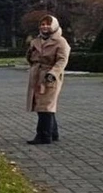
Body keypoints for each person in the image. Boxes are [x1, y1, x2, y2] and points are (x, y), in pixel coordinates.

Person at [26, 15, 70, 145]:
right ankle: (53, 133)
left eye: (48, 24)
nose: (45, 27)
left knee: (45, 106)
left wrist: (53, 73)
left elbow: (62, 60)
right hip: (37, 75)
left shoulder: (60, 41)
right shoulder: (36, 40)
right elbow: (29, 56)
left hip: (50, 76)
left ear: (54, 25)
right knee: (44, 105)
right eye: (42, 24)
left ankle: (43, 135)